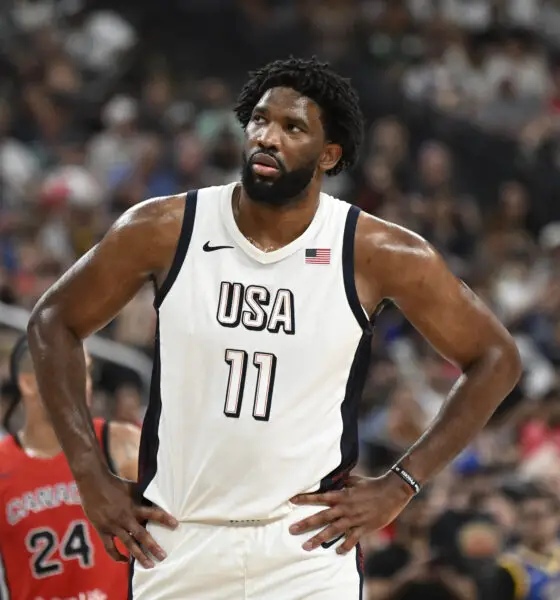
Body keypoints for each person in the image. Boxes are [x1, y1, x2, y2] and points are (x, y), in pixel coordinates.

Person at [26, 57, 521, 599]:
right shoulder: (165, 228)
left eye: (293, 128)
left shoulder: (375, 250)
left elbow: (496, 358)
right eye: (260, 121)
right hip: (177, 537)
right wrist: (89, 475)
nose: (267, 137)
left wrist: (402, 483)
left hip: (305, 549)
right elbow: (52, 322)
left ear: (329, 155)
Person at [0, 335, 140, 600]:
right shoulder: (3, 466)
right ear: (29, 383)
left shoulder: (122, 446)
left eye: (86, 370)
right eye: (71, 369)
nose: (85, 383)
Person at [495, 484, 560, 599]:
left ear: (556, 518)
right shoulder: (509, 567)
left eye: (540, 516)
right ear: (519, 521)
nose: (536, 523)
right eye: (528, 517)